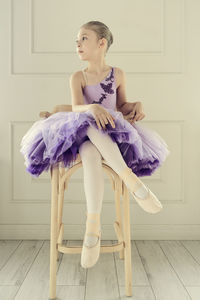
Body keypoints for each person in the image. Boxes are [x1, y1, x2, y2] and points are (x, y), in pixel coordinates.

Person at [20, 21, 170, 269]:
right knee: (88, 125)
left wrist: (137, 105)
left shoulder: (118, 74)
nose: (78, 44)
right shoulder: (78, 77)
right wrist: (93, 107)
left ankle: (93, 229)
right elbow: (78, 108)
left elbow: (120, 106)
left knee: (91, 152)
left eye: (84, 39)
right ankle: (133, 183)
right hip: (81, 133)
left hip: (110, 136)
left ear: (102, 43)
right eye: (76, 40)